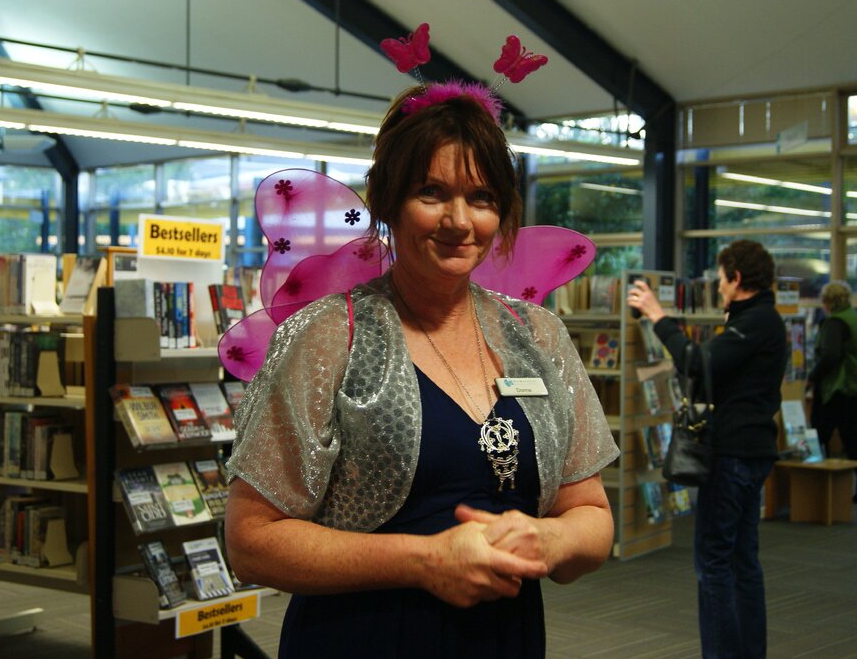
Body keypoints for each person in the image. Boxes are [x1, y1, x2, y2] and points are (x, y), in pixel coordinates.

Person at [224, 82, 619, 658]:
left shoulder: (538, 335)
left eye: (481, 197)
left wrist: (548, 538)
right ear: (387, 200)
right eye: (431, 192)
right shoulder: (330, 336)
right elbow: (251, 541)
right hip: (362, 639)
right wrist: (427, 560)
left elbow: (592, 518)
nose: (459, 221)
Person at [627, 240, 787, 659]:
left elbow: (697, 361)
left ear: (736, 279)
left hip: (732, 455)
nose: (717, 287)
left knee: (714, 563)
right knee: (741, 561)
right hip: (750, 454)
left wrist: (659, 317)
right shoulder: (757, 320)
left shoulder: (756, 323)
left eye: (720, 279)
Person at [808, 280, 857, 503]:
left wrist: (812, 377)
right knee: (852, 437)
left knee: (819, 434)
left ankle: (816, 488)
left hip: (839, 387)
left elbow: (830, 356)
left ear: (828, 302)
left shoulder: (835, 323)